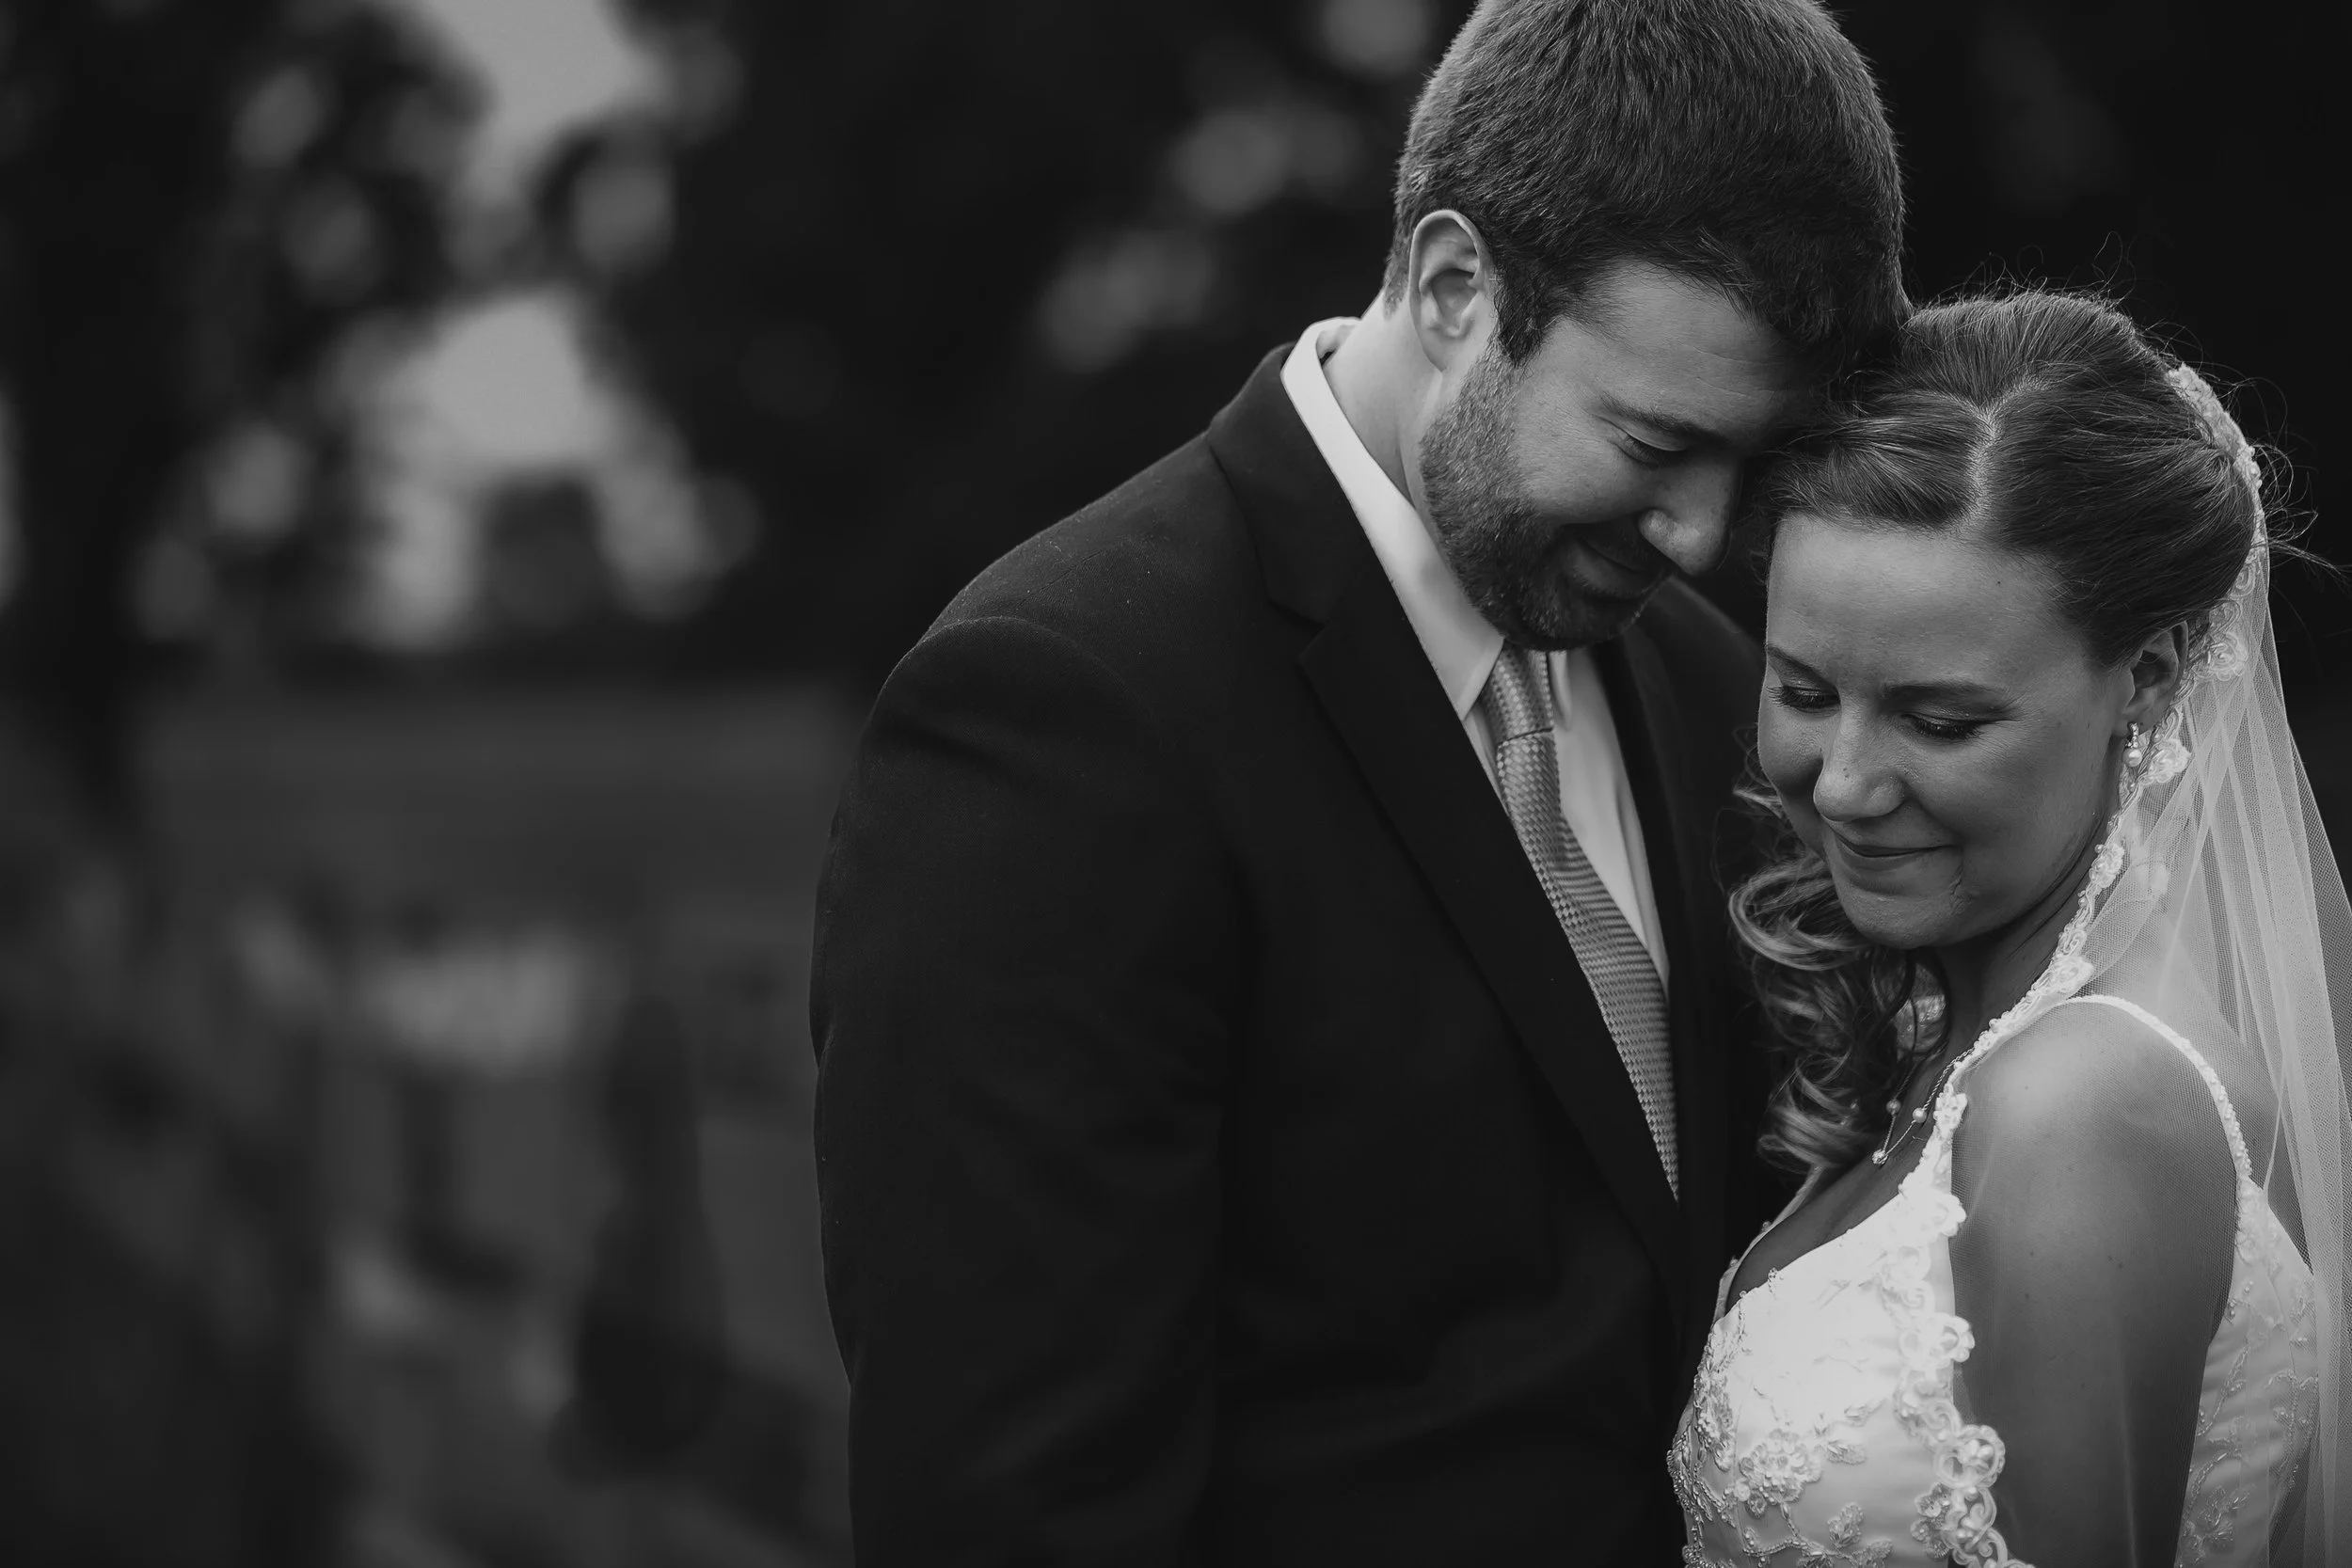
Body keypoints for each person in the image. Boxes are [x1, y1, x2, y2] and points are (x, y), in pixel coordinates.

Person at [811, 0, 1904, 1559]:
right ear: (1456, 285)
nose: (1698, 535)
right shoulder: (1064, 714)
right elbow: (1011, 1501)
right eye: (1655, 440)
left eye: (1754, 462)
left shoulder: (1711, 687)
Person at [1669, 290, 2351, 1566]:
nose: (1846, 783)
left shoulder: (2086, 1102)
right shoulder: (1965, 1042)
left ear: (2144, 675)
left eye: (1941, 721)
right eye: (1804, 689)